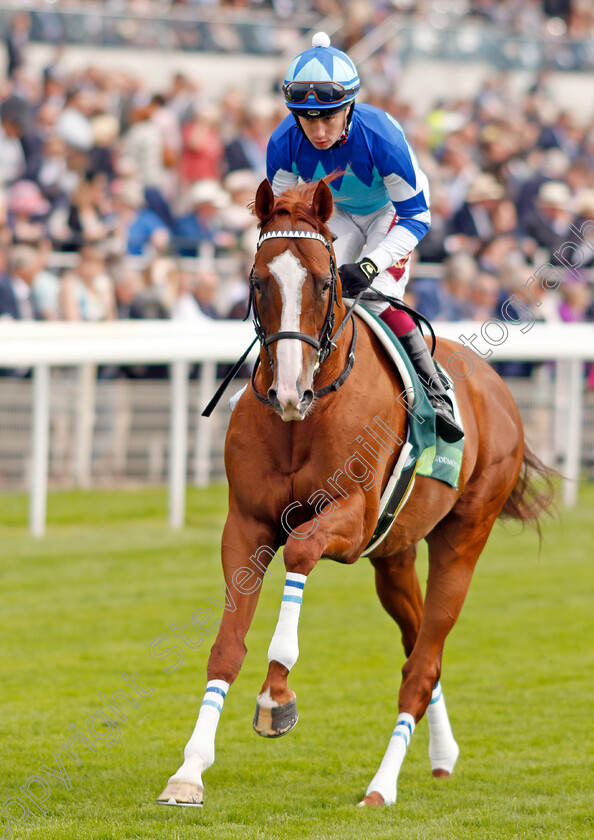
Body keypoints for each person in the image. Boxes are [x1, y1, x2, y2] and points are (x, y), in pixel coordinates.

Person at [266, 32, 463, 442]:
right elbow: (280, 219)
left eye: (328, 117)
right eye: (307, 119)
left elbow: (417, 216)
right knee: (296, 288)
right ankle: (278, 378)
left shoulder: (382, 136)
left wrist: (371, 265)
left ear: (349, 107)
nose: (317, 131)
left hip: (390, 212)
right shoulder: (283, 141)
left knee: (375, 294)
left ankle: (435, 388)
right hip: (333, 214)